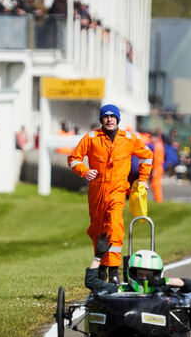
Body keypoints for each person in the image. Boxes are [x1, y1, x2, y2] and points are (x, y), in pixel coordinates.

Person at [68, 104, 153, 283]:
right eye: (105, 116)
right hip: (97, 191)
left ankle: (114, 269)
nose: (109, 119)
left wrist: (143, 179)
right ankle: (101, 267)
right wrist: (84, 171)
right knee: (98, 230)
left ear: (117, 119)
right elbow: (73, 159)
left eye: (112, 116)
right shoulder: (91, 137)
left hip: (118, 189)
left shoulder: (129, 138)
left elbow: (147, 155)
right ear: (101, 119)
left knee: (115, 225)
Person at [85, 234, 191, 294]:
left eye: (148, 275)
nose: (144, 278)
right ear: (132, 273)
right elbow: (91, 282)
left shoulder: (161, 289)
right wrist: (98, 257)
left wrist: (163, 281)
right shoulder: (122, 290)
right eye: (140, 274)